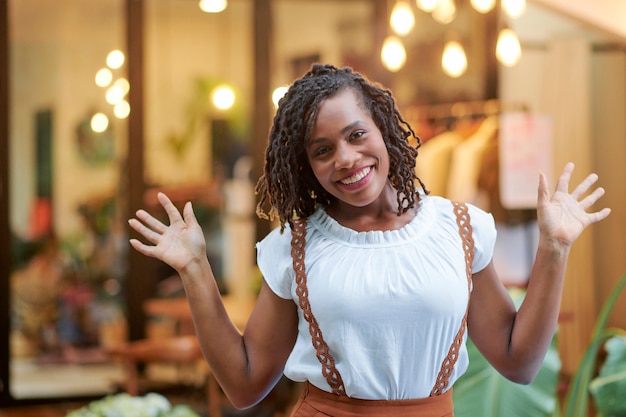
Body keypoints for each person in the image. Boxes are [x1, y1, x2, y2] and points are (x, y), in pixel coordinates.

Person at [128, 64, 611, 416]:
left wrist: (554, 249)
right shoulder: (294, 247)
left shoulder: (460, 229)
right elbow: (244, 384)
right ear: (307, 167)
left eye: (356, 134)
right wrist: (194, 269)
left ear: (384, 130)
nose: (345, 157)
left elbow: (519, 363)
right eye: (322, 150)